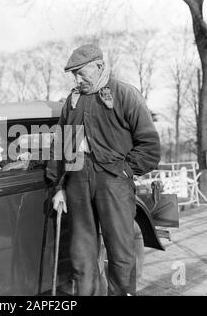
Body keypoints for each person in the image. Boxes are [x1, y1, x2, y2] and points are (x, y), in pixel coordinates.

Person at [46, 44, 161, 296]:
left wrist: (126, 172)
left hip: (114, 183)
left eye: (81, 72)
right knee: (81, 255)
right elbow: (61, 147)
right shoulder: (72, 101)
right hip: (77, 183)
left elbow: (150, 146)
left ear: (99, 67)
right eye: (73, 74)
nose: (77, 79)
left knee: (121, 253)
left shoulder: (124, 94)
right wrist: (60, 187)